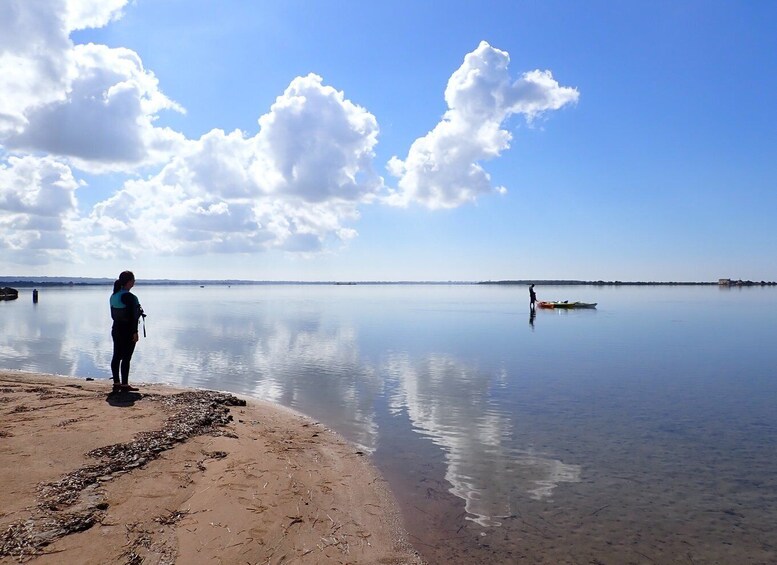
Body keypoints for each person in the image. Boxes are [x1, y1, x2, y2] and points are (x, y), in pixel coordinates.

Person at [110, 271, 144, 392]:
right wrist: (135, 332)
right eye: (133, 280)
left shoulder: (114, 295)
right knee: (126, 357)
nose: (134, 282)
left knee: (116, 356)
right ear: (129, 281)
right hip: (127, 330)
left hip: (116, 328)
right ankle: (124, 385)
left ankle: (116, 383)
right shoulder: (129, 296)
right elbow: (133, 317)